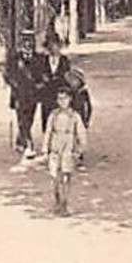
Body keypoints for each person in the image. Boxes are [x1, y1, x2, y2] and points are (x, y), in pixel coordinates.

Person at [42, 86, 87, 215]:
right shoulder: (53, 115)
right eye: (60, 99)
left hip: (68, 147)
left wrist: (79, 150)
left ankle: (65, 203)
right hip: (55, 147)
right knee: (54, 177)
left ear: (70, 100)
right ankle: (57, 200)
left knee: (66, 176)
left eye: (65, 99)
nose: (62, 102)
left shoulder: (74, 116)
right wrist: (45, 149)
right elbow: (48, 132)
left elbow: (81, 134)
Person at [6, 30, 42, 158]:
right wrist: (14, 84)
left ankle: (20, 139)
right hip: (18, 94)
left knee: (29, 119)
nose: (27, 44)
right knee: (22, 119)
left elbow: (42, 74)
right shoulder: (14, 59)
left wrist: (39, 84)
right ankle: (28, 144)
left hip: (33, 95)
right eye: (25, 41)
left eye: (30, 41)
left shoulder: (39, 58)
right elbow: (8, 75)